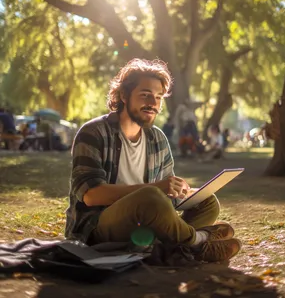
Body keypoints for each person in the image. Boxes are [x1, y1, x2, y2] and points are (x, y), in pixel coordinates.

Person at [65, 59, 241, 263]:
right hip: (97, 228)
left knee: (208, 201)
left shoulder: (157, 138)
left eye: (158, 97)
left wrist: (182, 191)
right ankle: (199, 242)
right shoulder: (93, 132)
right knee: (149, 196)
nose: (153, 103)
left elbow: (164, 195)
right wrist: (155, 188)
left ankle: (175, 250)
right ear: (123, 95)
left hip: (145, 222)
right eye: (145, 95)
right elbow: (91, 196)